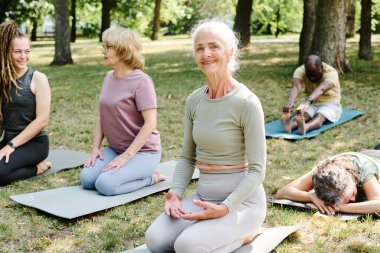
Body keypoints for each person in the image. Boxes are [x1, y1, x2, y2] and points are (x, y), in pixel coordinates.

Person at [145, 21, 267, 253]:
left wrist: (226, 207)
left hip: (243, 203)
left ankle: (246, 234)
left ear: (230, 52)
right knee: (155, 241)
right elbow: (187, 157)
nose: (206, 53)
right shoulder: (194, 101)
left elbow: (258, 170)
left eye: (214, 46)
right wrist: (175, 194)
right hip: (204, 195)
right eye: (199, 48)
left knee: (187, 246)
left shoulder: (247, 103)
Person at [80, 27, 166, 196]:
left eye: (108, 47)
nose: (103, 51)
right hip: (115, 149)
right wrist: (95, 148)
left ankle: (152, 177)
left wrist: (126, 157)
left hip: (143, 152)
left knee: (106, 185)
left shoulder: (142, 81)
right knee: (87, 180)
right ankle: (126, 169)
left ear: (123, 51)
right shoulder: (109, 77)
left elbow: (150, 124)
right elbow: (102, 116)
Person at [0, 21, 51, 186]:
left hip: (34, 144)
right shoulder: (3, 79)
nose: (24, 57)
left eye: (27, 51)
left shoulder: (38, 79)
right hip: (8, 139)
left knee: (0, 174)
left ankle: (39, 167)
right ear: (6, 52)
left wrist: (11, 145)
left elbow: (42, 120)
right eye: (18, 52)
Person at [275, 150, 380, 215]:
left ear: (351, 178)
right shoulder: (322, 172)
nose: (353, 199)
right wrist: (310, 196)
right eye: (346, 201)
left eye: (352, 193)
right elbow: (282, 192)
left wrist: (340, 207)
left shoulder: (364, 167)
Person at [280, 55, 342, 135]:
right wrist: (290, 102)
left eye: (314, 74)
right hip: (312, 103)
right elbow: (296, 87)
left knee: (320, 116)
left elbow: (321, 89)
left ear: (321, 68)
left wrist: (307, 101)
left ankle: (306, 127)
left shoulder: (331, 72)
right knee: (303, 115)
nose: (312, 78)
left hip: (330, 103)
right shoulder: (300, 70)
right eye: (309, 74)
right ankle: (289, 126)